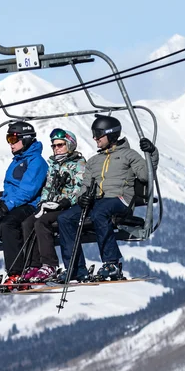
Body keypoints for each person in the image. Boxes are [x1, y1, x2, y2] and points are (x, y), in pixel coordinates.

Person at [56, 114, 159, 282]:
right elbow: (85, 185)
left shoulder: (129, 155)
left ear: (110, 135)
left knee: (99, 213)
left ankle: (111, 263)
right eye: (94, 133)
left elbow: (147, 176)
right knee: (65, 218)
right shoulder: (94, 160)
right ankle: (75, 268)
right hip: (97, 201)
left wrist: (151, 153)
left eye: (98, 134)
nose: (95, 138)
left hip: (120, 200)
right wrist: (82, 198)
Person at [0, 121, 49, 286]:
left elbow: (28, 191)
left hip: (29, 206)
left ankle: (16, 273)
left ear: (25, 139)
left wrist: (5, 208)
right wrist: (0, 208)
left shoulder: (37, 162)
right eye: (9, 139)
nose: (10, 144)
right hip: (11, 206)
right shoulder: (17, 161)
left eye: (13, 139)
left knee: (8, 224)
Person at [20, 128, 86, 283]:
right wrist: (43, 201)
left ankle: (49, 264)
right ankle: (33, 265)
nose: (56, 148)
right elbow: (48, 187)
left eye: (60, 145)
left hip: (68, 206)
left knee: (42, 222)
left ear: (69, 145)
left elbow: (80, 187)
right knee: (28, 222)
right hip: (53, 204)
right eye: (54, 146)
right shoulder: (54, 164)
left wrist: (66, 201)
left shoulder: (78, 164)